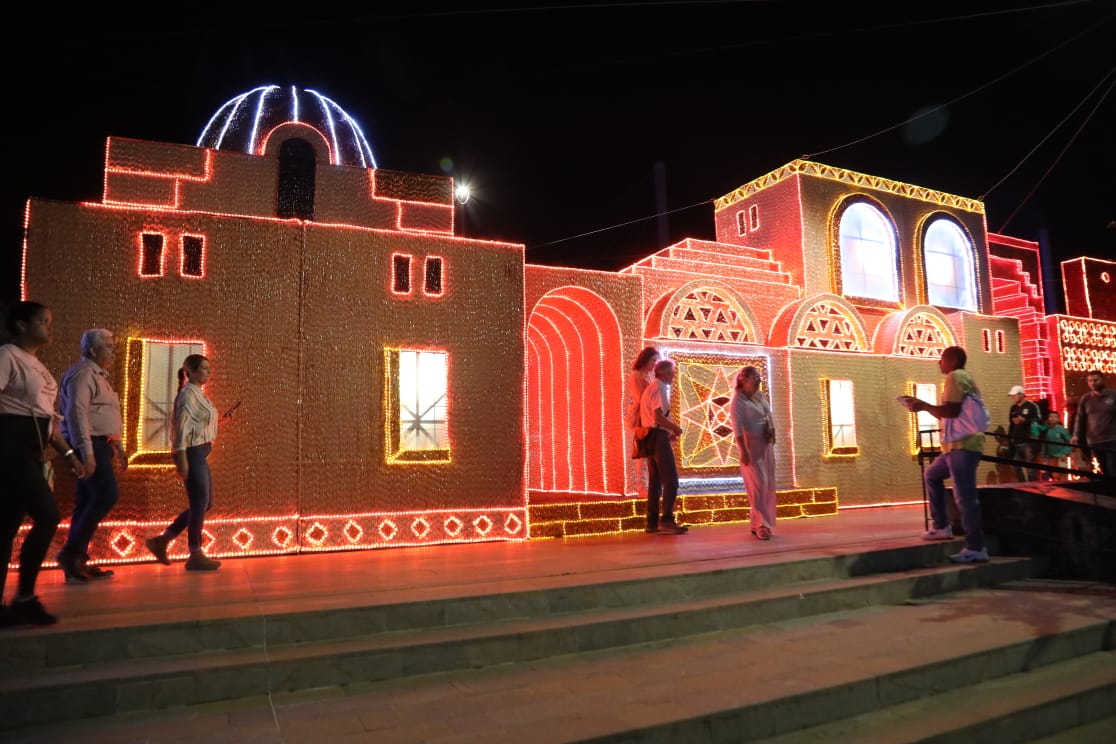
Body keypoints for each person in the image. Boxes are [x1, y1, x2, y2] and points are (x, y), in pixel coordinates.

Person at [0, 301, 86, 627]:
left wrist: (68, 455)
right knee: (48, 515)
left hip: (33, 449)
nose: (49, 327)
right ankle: (24, 598)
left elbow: (48, 421)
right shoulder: (7, 355)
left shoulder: (37, 365)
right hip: (11, 446)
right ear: (21, 325)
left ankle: (13, 603)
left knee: (6, 527)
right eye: (43, 321)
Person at [900, 346, 989, 564]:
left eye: (942, 359)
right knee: (932, 474)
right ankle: (941, 526)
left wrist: (923, 406)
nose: (939, 363)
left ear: (952, 360)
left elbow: (951, 411)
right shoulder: (962, 378)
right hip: (954, 445)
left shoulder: (956, 376)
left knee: (965, 496)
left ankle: (976, 547)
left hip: (963, 445)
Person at [56, 329, 127, 583]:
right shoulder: (83, 374)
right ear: (94, 350)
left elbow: (104, 416)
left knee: (86, 502)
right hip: (90, 446)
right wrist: (86, 452)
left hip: (101, 444)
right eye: (109, 346)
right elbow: (78, 415)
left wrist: (118, 447)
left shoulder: (99, 376)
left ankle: (76, 560)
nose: (113, 351)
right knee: (107, 495)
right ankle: (71, 554)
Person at [145, 354, 223, 571]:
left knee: (205, 503)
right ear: (193, 371)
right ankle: (195, 552)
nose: (208, 372)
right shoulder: (189, 394)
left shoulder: (198, 393)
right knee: (199, 503)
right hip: (192, 452)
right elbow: (182, 426)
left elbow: (197, 423)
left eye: (209, 368)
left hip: (199, 451)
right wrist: (181, 457)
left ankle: (162, 540)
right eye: (204, 368)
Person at [639, 359, 687, 534]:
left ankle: (651, 522)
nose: (673, 376)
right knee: (671, 480)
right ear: (665, 372)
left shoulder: (651, 388)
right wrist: (674, 428)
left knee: (655, 482)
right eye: (672, 372)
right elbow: (658, 417)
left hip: (650, 437)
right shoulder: (659, 387)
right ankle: (666, 519)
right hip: (658, 437)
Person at [731, 366, 777, 540]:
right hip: (751, 447)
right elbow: (737, 428)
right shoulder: (738, 400)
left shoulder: (760, 396)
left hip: (765, 445)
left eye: (759, 379)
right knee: (757, 485)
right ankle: (761, 525)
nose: (758, 382)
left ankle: (756, 522)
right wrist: (743, 450)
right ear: (744, 380)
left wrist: (773, 434)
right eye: (754, 379)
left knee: (766, 486)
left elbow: (768, 415)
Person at [625, 346, 659, 501]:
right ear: (645, 360)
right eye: (652, 360)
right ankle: (642, 487)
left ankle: (650, 486)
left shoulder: (647, 376)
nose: (654, 364)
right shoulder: (636, 376)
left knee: (651, 453)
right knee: (643, 453)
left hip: (650, 416)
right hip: (642, 417)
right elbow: (642, 398)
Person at [1071, 370, 1116, 478]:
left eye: (1095, 380)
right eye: (1090, 381)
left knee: (1113, 469)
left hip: (1112, 439)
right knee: (1104, 469)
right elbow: (1080, 418)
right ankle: (1108, 493)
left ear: (1102, 380)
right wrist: (1076, 435)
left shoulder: (1113, 395)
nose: (1093, 383)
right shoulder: (1086, 399)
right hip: (1094, 440)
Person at [1006, 385, 1040, 482]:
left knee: (1030, 467)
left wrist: (1024, 420)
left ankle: (1034, 486)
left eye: (1014, 395)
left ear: (1021, 394)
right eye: (1012, 396)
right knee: (1016, 466)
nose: (1012, 397)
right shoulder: (1013, 408)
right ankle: (1022, 485)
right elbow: (1011, 423)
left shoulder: (1031, 406)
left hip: (1028, 441)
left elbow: (1037, 421)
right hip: (1016, 440)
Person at [1037, 410, 1072, 482]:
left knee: (1058, 477)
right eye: (1051, 417)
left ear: (1059, 419)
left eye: (1055, 417)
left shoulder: (1062, 430)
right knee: (1045, 477)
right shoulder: (1044, 429)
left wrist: (1064, 453)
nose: (1052, 418)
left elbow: (1070, 443)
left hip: (1060, 457)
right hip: (1047, 458)